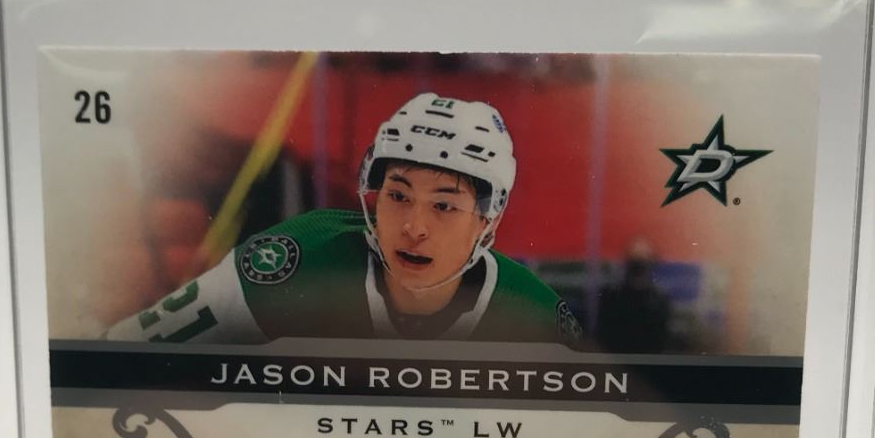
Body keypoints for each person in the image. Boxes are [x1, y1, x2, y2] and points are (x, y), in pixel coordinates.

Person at [105, 92, 580, 344]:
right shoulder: (297, 260)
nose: (414, 227)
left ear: (487, 220)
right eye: (398, 196)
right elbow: (122, 354)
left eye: (443, 205)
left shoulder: (532, 314)